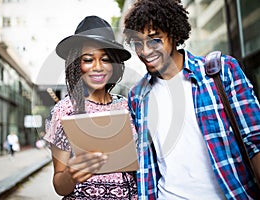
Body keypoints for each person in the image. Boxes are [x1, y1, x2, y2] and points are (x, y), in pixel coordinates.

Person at [123, 0, 260, 199]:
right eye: (138, 43)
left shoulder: (221, 71)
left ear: (174, 33)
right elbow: (145, 163)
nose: (144, 51)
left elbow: (255, 142)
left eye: (154, 39)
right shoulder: (137, 96)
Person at [44, 15, 138, 199]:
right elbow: (59, 185)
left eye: (105, 59)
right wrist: (71, 174)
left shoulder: (129, 107)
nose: (98, 67)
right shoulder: (63, 111)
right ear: (76, 64)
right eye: (88, 59)